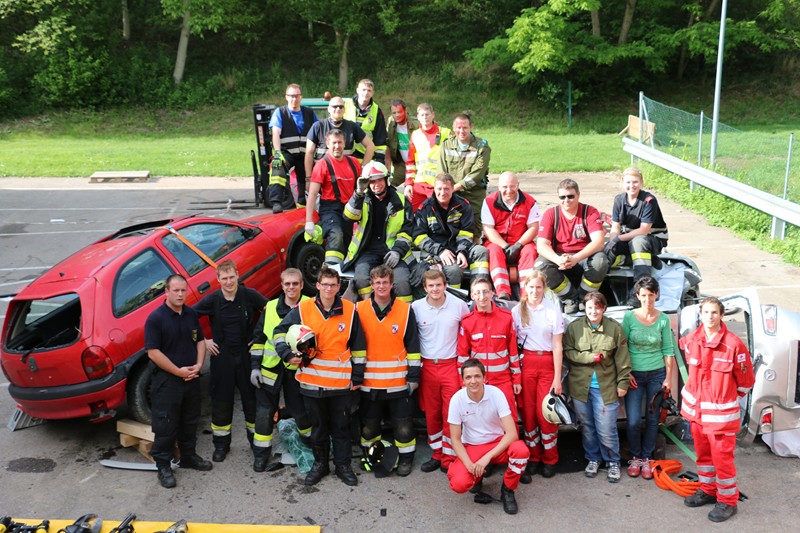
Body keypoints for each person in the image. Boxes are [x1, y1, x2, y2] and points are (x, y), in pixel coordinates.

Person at [273, 265, 366, 487]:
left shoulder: (351, 311)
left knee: (341, 428)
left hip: (340, 384)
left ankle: (343, 467)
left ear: (338, 286)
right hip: (312, 383)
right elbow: (279, 332)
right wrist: (287, 354)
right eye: (325, 284)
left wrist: (358, 378)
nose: (328, 289)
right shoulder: (303, 309)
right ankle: (320, 465)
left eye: (333, 285)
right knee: (319, 428)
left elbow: (359, 347)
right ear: (318, 285)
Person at [680, 297, 754, 523]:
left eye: (714, 312)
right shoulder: (692, 340)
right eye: (706, 312)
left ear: (722, 315)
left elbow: (745, 382)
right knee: (703, 457)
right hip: (697, 415)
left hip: (720, 418)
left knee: (722, 460)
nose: (710, 317)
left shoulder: (734, 345)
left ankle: (728, 502)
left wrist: (724, 397)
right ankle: (708, 490)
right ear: (700, 314)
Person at [192, 260, 267, 465]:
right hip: (222, 356)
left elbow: (271, 309)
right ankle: (221, 445)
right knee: (221, 402)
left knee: (251, 401)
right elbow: (190, 316)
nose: (228, 282)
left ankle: (255, 443)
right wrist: (204, 340)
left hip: (245, 354)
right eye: (224, 278)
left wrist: (259, 336)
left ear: (237, 275)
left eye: (231, 277)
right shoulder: (213, 300)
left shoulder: (248, 295)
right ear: (218, 280)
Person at [144, 274, 212, 488]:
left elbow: (200, 341)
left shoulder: (190, 314)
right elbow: (153, 353)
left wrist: (199, 365)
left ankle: (188, 456)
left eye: (183, 290)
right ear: (166, 291)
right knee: (165, 424)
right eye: (176, 290)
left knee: (190, 421)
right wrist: (178, 372)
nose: (181, 294)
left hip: (191, 379)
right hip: (167, 383)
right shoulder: (156, 319)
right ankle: (163, 466)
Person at [357, 265, 421, 477]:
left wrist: (413, 377)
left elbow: (413, 347)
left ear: (392, 285)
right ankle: (371, 458)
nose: (381, 286)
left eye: (385, 282)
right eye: (377, 282)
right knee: (369, 427)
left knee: (403, 426)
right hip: (369, 384)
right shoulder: (359, 309)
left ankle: (405, 460)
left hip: (398, 382)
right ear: (371, 285)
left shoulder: (405, 309)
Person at [564, 291, 631, 483]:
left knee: (606, 428)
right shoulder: (575, 328)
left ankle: (613, 462)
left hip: (606, 388)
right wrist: (588, 357)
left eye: (597, 307)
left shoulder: (614, 329)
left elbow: (623, 358)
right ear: (585, 308)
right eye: (590, 307)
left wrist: (623, 383)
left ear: (603, 308)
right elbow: (568, 352)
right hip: (580, 387)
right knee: (587, 427)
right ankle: (593, 459)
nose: (593, 311)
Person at [447, 359, 530, 515]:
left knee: (521, 451)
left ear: (484, 378)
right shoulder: (457, 400)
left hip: (497, 443)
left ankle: (508, 490)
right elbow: (456, 440)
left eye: (477, 376)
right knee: (459, 484)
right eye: (468, 377)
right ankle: (476, 478)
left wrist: (486, 458)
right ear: (463, 380)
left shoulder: (496, 394)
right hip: (473, 446)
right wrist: (470, 465)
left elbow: (512, 433)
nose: (473, 381)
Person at [249, 268, 311, 472]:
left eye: (295, 283)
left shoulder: (310, 306)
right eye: (287, 284)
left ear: (302, 285)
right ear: (282, 285)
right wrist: (255, 368)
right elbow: (258, 340)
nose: (291, 287)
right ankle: (261, 455)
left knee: (301, 412)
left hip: (298, 369)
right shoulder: (270, 307)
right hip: (270, 370)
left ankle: (310, 448)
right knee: (264, 413)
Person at [411, 269, 470, 472]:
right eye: (431, 286)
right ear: (424, 288)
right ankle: (437, 454)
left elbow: (468, 333)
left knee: (451, 414)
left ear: (445, 285)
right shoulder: (416, 308)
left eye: (439, 285)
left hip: (451, 366)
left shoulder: (459, 305)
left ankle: (450, 455)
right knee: (432, 414)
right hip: (427, 366)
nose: (435, 289)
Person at [512, 271, 564, 482]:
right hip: (526, 365)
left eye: (539, 287)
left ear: (544, 288)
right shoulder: (517, 311)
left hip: (547, 363)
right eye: (531, 287)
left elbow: (558, 345)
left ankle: (550, 459)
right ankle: (533, 457)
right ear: (525, 288)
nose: (534, 291)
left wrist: (557, 377)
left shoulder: (552, 311)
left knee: (546, 414)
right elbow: (512, 345)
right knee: (529, 413)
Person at [623, 276, 675, 480]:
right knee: (634, 420)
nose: (647, 299)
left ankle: (646, 458)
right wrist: (625, 372)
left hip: (657, 374)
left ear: (657, 295)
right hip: (634, 375)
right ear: (637, 296)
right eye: (643, 295)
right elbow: (622, 346)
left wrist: (668, 378)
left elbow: (668, 350)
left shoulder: (663, 319)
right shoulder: (629, 317)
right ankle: (635, 456)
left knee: (653, 419)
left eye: (651, 295)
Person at [534, 178, 609, 314]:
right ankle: (569, 298)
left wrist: (575, 259)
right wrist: (558, 260)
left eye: (570, 196)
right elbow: (541, 245)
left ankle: (584, 298)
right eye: (562, 197)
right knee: (540, 265)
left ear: (578, 195)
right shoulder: (551, 214)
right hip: (560, 257)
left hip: (584, 256)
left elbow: (599, 242)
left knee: (601, 261)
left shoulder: (590, 212)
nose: (566, 200)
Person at [343, 160, 414, 302]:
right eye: (371, 181)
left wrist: (397, 251)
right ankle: (370, 309)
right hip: (367, 251)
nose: (376, 185)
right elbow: (348, 217)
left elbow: (408, 230)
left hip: (393, 251)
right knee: (361, 279)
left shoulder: (400, 201)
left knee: (402, 281)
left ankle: (406, 316)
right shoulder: (362, 198)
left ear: (387, 179)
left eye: (380, 180)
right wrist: (358, 193)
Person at [457, 277, 521, 421]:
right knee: (480, 422)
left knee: (509, 420)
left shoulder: (506, 318)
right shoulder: (467, 322)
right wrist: (463, 382)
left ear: (492, 293)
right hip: (477, 382)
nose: (482, 296)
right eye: (477, 293)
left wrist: (516, 379)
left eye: (485, 292)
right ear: (472, 296)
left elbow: (513, 352)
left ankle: (512, 445)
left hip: (503, 381)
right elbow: (462, 356)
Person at [412, 172, 490, 289]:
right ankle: (455, 299)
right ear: (434, 189)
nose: (442, 193)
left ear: (453, 188)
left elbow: (467, 233)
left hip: (457, 247)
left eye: (446, 189)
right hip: (434, 251)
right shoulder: (425, 208)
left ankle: (478, 290)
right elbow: (418, 237)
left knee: (481, 251)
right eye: (439, 189)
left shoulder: (463, 205)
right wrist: (440, 250)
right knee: (454, 269)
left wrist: (462, 251)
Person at [605, 167, 669, 306]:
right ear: (622, 182)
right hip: (629, 238)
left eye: (635, 182)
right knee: (607, 250)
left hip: (652, 239)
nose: (631, 186)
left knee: (638, 242)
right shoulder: (619, 200)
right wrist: (612, 241)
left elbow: (644, 230)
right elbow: (615, 226)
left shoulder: (649, 200)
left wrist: (619, 239)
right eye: (628, 182)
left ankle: (640, 289)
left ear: (641, 182)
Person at [306, 128, 363, 266]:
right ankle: (331, 271)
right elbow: (312, 194)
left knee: (348, 242)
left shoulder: (354, 163)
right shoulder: (321, 165)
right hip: (330, 208)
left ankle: (344, 271)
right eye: (334, 143)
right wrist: (309, 221)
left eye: (340, 142)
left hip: (349, 209)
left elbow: (363, 187)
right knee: (336, 234)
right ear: (327, 143)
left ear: (345, 144)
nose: (337, 146)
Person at [481, 171, 541, 300]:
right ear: (499, 187)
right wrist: (505, 246)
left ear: (518, 185)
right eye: (505, 187)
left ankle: (527, 293)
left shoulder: (530, 202)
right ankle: (503, 293)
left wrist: (519, 245)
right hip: (497, 242)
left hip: (522, 242)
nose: (509, 190)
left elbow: (533, 228)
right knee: (494, 251)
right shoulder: (489, 202)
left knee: (530, 251)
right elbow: (488, 229)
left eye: (512, 186)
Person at [268, 83, 318, 212]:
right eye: (291, 96)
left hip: (305, 154)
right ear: (286, 97)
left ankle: (302, 207)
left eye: (296, 96)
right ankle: (277, 202)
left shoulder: (309, 113)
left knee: (307, 178)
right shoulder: (280, 112)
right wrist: (277, 153)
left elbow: (319, 131)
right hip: (287, 153)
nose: (294, 99)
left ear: (301, 97)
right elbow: (276, 134)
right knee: (277, 165)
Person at [439, 113, 491, 237]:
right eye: (458, 127)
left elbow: (477, 175)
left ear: (471, 127)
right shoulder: (446, 145)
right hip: (450, 194)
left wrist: (454, 188)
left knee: (474, 230)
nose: (461, 131)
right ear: (453, 128)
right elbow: (441, 172)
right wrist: (446, 190)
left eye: (465, 127)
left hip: (473, 195)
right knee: (446, 228)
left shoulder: (482, 147)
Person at [304, 96, 374, 179]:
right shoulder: (318, 126)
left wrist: (362, 169)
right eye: (335, 106)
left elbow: (370, 146)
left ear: (344, 110)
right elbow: (309, 153)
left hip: (345, 174)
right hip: (323, 174)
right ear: (329, 109)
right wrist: (308, 177)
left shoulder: (352, 126)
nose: (338, 109)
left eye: (341, 107)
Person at [404, 104, 452, 211]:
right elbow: (410, 162)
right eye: (422, 115)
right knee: (414, 215)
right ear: (418, 116)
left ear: (433, 115)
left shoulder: (446, 133)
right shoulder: (415, 135)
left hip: (438, 184)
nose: (425, 117)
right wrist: (409, 184)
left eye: (427, 114)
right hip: (419, 185)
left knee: (438, 215)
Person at [343, 79, 388, 163]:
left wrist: (379, 160)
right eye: (363, 90)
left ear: (372, 93)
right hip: (344, 157)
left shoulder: (376, 110)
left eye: (369, 90)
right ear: (357, 90)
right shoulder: (345, 105)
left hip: (365, 158)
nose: (366, 93)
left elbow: (380, 138)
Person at [386, 99, 418, 187]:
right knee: (392, 188)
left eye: (399, 112)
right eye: (394, 113)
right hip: (401, 163)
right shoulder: (391, 122)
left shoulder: (417, 123)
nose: (397, 115)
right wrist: (388, 165)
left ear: (405, 111)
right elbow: (388, 143)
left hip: (417, 164)